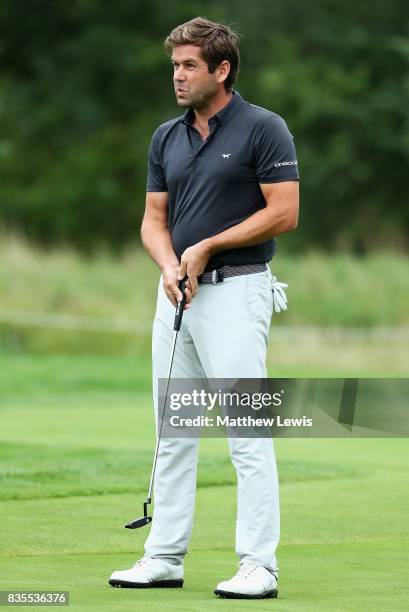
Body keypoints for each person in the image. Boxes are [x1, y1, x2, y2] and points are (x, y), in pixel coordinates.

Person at [109, 16, 299, 599]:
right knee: (174, 431)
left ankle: (258, 565)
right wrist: (169, 263)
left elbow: (285, 211)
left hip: (238, 292)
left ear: (223, 69)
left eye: (190, 65)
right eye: (175, 66)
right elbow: (152, 221)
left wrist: (210, 245)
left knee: (246, 433)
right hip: (176, 296)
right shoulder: (166, 137)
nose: (179, 76)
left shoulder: (264, 128)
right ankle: (164, 555)